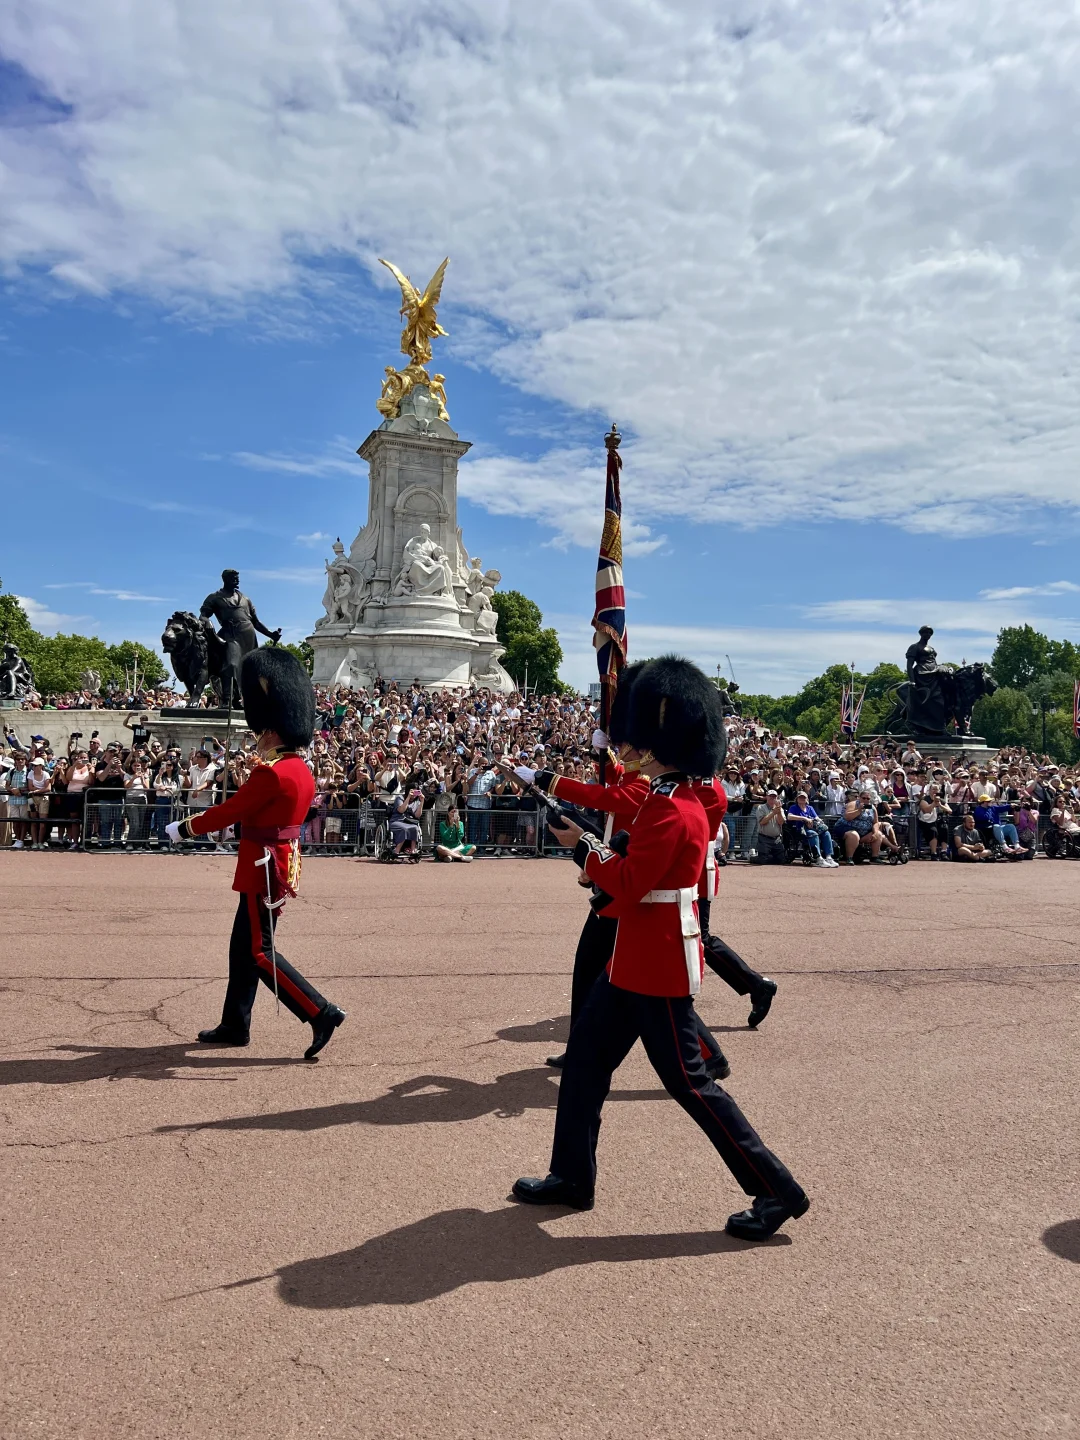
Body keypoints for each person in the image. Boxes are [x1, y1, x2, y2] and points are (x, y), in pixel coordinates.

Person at [512, 656, 809, 1242]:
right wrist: (579, 823)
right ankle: (572, 1176)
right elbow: (626, 839)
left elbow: (626, 881)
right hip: (630, 961)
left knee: (691, 1084)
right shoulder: (665, 797)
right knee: (585, 1068)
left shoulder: (675, 808)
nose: (635, 749)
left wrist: (581, 847)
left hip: (656, 966)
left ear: (664, 740)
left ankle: (777, 1189)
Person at [165, 647, 346, 1061]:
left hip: (263, 863)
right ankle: (235, 1023)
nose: (257, 737)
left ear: (273, 732)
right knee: (241, 947)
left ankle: (320, 1011)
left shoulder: (272, 772)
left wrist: (186, 827)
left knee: (259, 951)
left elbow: (232, 810)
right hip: (277, 861)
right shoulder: (297, 768)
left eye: (261, 731)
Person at [786, 790, 837, 867]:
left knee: (826, 833)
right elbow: (789, 817)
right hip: (801, 830)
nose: (802, 799)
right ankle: (818, 858)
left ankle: (828, 857)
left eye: (804, 798)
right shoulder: (794, 807)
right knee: (813, 834)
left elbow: (816, 817)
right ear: (797, 799)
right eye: (800, 798)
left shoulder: (810, 808)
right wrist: (804, 818)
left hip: (813, 827)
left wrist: (819, 821)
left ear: (807, 799)